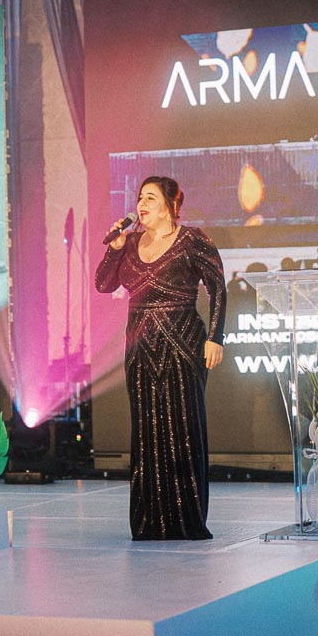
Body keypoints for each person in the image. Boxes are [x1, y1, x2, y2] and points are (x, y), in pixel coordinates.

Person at [95, 175, 226, 541]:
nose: (142, 204)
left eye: (151, 198)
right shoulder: (128, 243)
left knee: (182, 430)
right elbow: (103, 284)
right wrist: (114, 248)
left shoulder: (192, 240)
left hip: (182, 343)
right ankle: (149, 521)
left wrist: (215, 337)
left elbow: (217, 288)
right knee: (147, 432)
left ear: (171, 206)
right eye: (140, 197)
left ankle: (187, 521)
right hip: (140, 348)